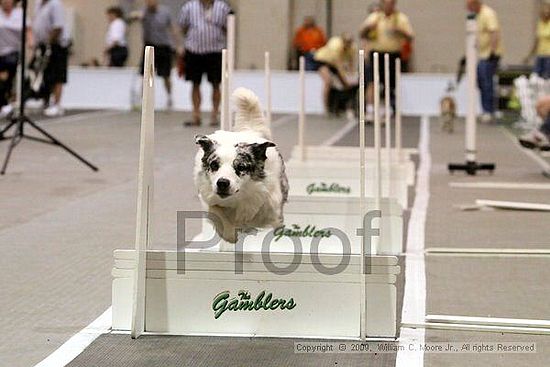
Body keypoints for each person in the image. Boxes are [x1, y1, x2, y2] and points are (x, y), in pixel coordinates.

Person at [179, 0, 231, 127]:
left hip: (215, 51)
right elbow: (183, 27)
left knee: (216, 83)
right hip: (194, 50)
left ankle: (215, 114)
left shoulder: (222, 7)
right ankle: (196, 114)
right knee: (195, 83)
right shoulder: (189, 7)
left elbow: (228, 27)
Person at [359, 0, 413, 121]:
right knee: (372, 82)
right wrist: (368, 28)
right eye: (386, 3)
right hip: (376, 54)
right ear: (382, 4)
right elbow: (361, 33)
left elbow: (410, 37)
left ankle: (389, 109)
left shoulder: (401, 18)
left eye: (391, 3)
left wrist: (400, 31)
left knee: (390, 83)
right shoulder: (375, 17)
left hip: (393, 54)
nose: (389, 6)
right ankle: (370, 110)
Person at [132, 0, 181, 109]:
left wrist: (177, 46)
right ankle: (143, 99)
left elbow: (173, 29)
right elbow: (133, 17)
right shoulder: (144, 12)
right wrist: (137, 16)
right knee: (145, 74)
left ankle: (169, 97)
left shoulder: (165, 12)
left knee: (165, 75)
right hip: (149, 46)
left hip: (163, 46)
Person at [466, 0, 503, 124]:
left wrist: (492, 51)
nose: (468, 8)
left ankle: (489, 111)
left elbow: (494, 33)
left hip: (490, 55)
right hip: (482, 54)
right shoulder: (478, 15)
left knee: (487, 82)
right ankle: (485, 109)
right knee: (481, 82)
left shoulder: (488, 13)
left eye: (469, 5)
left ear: (475, 4)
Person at [33, 0, 71, 117]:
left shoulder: (55, 4)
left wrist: (49, 43)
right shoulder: (38, 4)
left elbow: (58, 27)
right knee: (45, 74)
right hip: (43, 43)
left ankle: (57, 103)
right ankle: (46, 100)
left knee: (57, 75)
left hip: (56, 44)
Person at [313, 33, 356, 115]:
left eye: (349, 43)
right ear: (343, 41)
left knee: (343, 84)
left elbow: (351, 63)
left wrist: (351, 76)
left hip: (333, 64)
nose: (347, 45)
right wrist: (346, 81)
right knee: (328, 81)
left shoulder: (352, 48)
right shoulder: (335, 46)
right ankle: (325, 107)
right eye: (346, 43)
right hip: (322, 60)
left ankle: (341, 106)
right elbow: (339, 67)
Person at [0, 0, 26, 118]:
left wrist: (31, 42)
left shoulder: (19, 13)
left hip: (11, 52)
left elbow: (28, 30)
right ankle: (4, 103)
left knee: (6, 77)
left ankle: (6, 102)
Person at [525, 2, 550, 79]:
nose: (545, 14)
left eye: (547, 12)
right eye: (543, 13)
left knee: (546, 77)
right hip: (540, 54)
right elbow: (537, 41)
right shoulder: (540, 24)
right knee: (536, 76)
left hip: (549, 55)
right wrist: (529, 55)